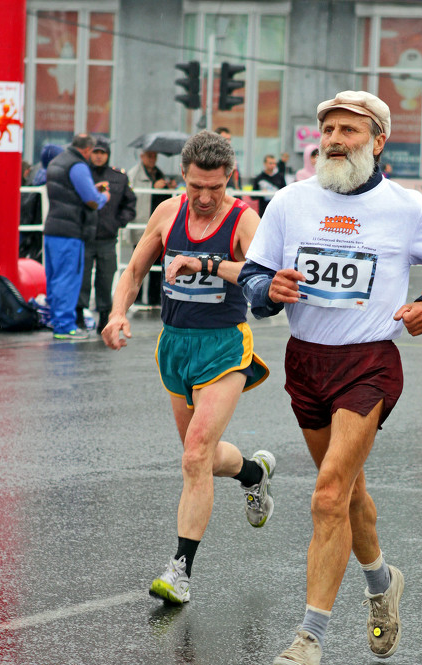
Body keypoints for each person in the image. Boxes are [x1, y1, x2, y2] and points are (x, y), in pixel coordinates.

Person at [238, 89, 422, 665]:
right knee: (349, 496)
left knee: (326, 495)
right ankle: (382, 582)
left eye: (349, 130)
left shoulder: (405, 206)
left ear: (377, 140)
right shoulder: (290, 202)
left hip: (369, 363)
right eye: (329, 129)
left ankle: (309, 639)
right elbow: (254, 276)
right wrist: (270, 291)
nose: (335, 139)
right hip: (306, 363)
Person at [102, 130, 275, 604]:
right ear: (183, 177)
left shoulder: (244, 219)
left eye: (214, 188)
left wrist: (204, 264)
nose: (203, 198)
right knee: (201, 455)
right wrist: (118, 312)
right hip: (176, 345)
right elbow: (134, 271)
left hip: (224, 347)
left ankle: (180, 571)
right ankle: (254, 475)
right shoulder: (167, 213)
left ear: (229, 179)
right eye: (196, 187)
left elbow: (260, 275)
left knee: (195, 455)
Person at [44, 134, 110, 340]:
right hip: (70, 232)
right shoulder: (78, 165)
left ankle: (57, 321)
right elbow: (90, 200)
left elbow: (68, 191)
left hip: (52, 229)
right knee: (68, 278)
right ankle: (65, 327)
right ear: (87, 150)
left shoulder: (56, 162)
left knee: (54, 278)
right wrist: (103, 197)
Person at [77, 137, 136, 334]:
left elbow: (130, 202)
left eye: (102, 153)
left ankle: (104, 316)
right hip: (84, 236)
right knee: (82, 278)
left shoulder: (118, 176)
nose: (99, 156)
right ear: (90, 153)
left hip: (107, 237)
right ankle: (78, 315)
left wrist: (119, 221)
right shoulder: (82, 173)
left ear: (108, 154)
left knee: (105, 277)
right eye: (96, 152)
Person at [128, 149, 166, 305]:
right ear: (142, 156)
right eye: (150, 155)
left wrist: (165, 186)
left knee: (157, 261)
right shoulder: (133, 174)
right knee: (139, 263)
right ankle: (135, 300)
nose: (152, 159)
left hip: (157, 224)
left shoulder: (159, 173)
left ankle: (153, 300)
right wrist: (154, 186)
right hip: (141, 223)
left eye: (155, 155)